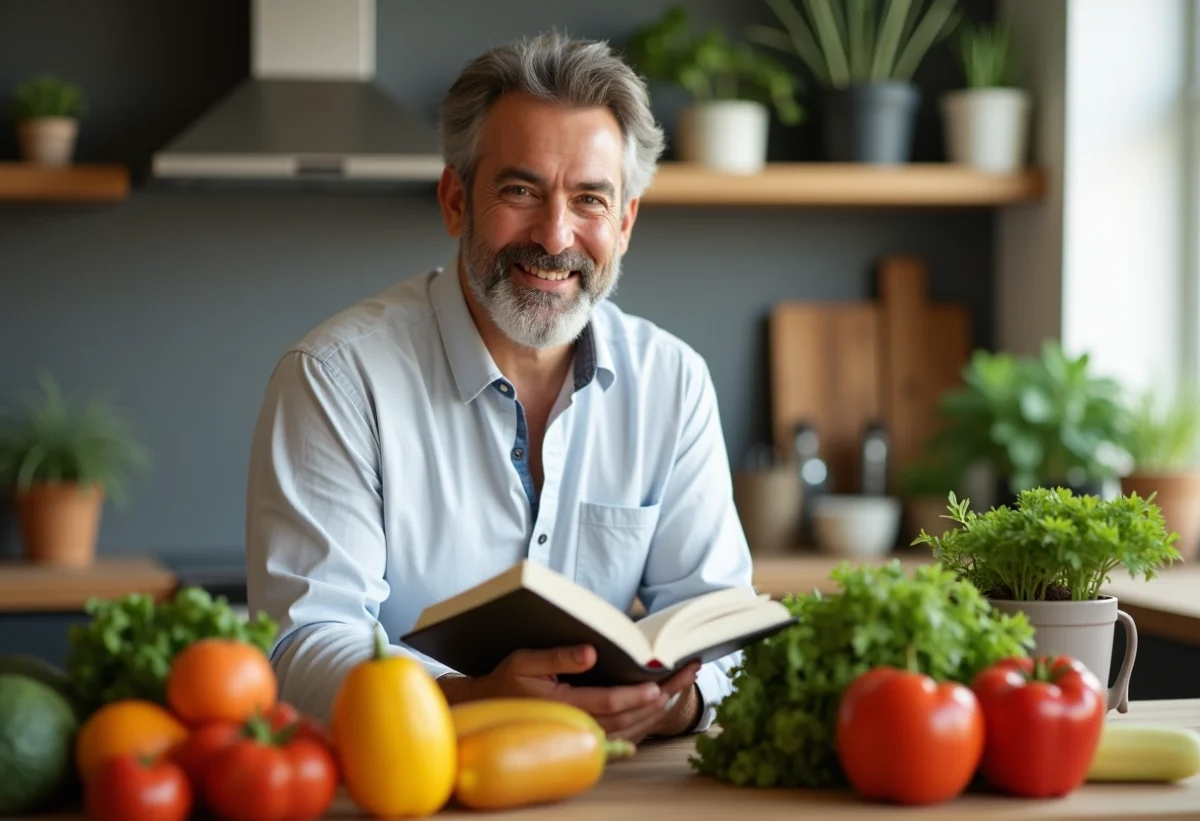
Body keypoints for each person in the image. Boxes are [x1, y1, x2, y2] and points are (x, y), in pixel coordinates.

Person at [244, 30, 753, 743]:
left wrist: (683, 701)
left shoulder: (672, 381)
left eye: (589, 200)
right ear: (456, 201)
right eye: (521, 190)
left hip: (604, 781)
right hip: (407, 783)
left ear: (626, 222)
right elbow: (302, 646)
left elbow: (722, 623)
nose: (554, 235)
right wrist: (472, 697)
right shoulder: (337, 378)